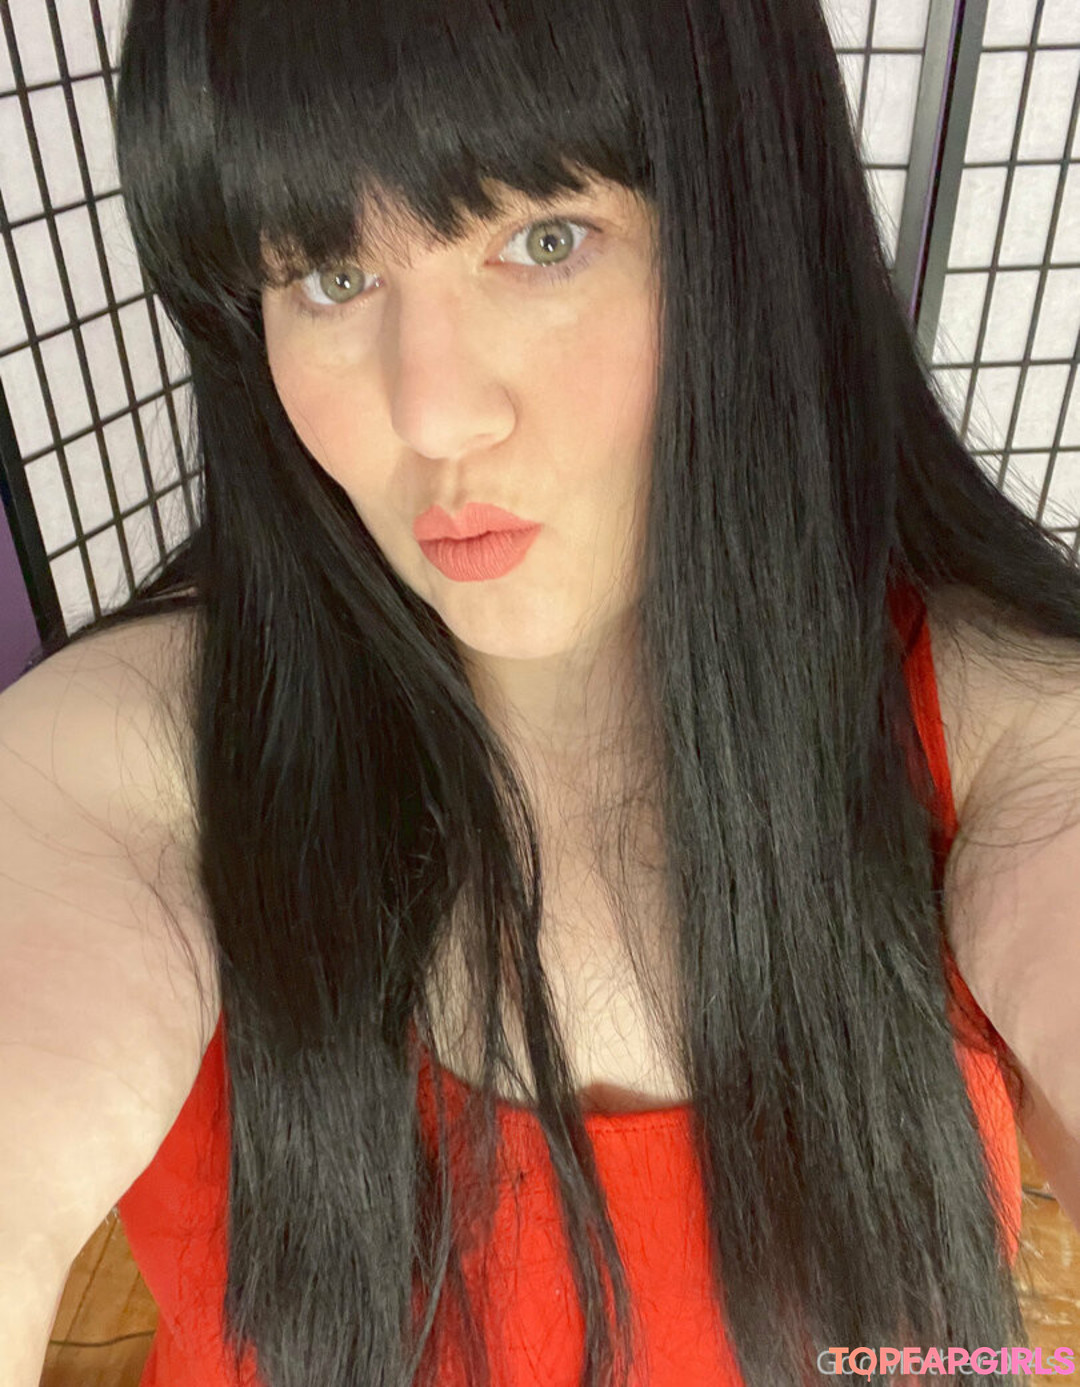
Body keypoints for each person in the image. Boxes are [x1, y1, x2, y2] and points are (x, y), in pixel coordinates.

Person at [3, 0, 1080, 1383]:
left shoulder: (987, 735)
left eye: (546, 239)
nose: (434, 413)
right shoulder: (143, 756)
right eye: (331, 274)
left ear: (747, 247)